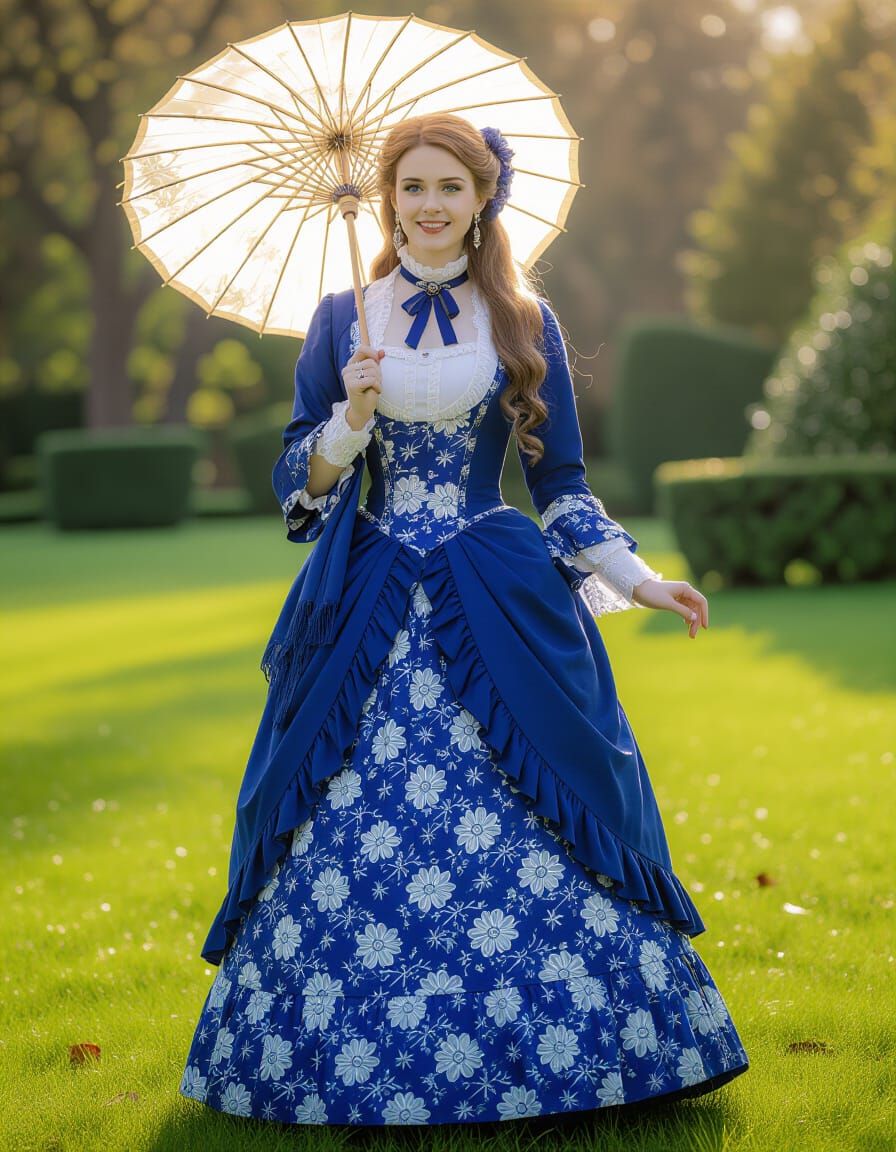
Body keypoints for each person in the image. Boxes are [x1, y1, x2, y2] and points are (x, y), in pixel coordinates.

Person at [179, 112, 750, 1126]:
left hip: (496, 580)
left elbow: (560, 482)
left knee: (556, 777)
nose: (430, 205)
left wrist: (639, 576)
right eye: (412, 187)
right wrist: (348, 419)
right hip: (368, 586)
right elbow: (298, 504)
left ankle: (577, 1054)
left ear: (481, 199)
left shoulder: (524, 319)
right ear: (386, 197)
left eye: (450, 186)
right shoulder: (338, 321)